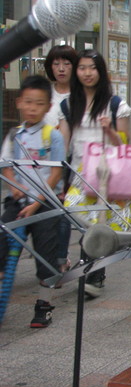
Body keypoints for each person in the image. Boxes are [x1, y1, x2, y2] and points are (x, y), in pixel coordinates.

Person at [58, 49, 131, 299]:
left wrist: (110, 132)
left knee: (98, 224)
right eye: (82, 68)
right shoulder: (68, 105)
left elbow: (124, 144)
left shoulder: (115, 105)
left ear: (101, 71)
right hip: (78, 175)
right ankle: (93, 271)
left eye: (92, 67)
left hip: (105, 175)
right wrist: (60, 177)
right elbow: (65, 144)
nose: (87, 73)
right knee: (83, 223)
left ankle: (94, 275)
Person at [0, 75, 65, 328]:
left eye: (38, 104)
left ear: (48, 106)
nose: (32, 108)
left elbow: (57, 173)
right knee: (2, 241)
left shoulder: (53, 136)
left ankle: (44, 305)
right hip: (17, 201)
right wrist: (15, 188)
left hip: (45, 204)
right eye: (28, 102)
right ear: (18, 103)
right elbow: (5, 166)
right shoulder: (15, 135)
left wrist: (37, 202)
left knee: (46, 257)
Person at [43, 44, 78, 274]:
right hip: (44, 160)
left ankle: (60, 258)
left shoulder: (80, 95)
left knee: (64, 209)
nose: (61, 68)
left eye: (66, 63)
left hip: (71, 160)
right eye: (56, 64)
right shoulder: (44, 93)